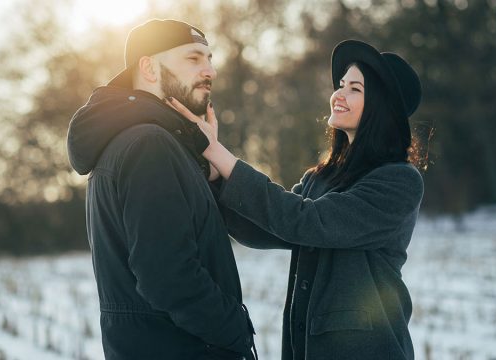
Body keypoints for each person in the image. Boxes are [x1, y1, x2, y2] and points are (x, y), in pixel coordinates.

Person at [166, 40, 424, 360]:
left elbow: (307, 221)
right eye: (341, 84)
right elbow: (272, 228)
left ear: (380, 107)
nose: (338, 94)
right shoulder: (323, 177)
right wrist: (218, 179)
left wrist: (217, 153)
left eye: (355, 88)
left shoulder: (399, 181)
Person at [66, 19, 256, 360]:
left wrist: (207, 164)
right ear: (149, 67)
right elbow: (167, 277)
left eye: (210, 59)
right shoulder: (149, 145)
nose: (210, 70)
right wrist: (235, 330)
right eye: (194, 58)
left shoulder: (135, 141)